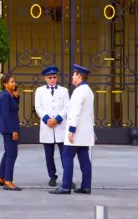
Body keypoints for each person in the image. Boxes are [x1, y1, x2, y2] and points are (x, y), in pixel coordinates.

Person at [50, 64, 94, 196]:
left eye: (74, 75)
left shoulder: (79, 91)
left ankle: (66, 186)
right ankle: (86, 186)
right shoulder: (88, 90)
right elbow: (90, 114)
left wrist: (72, 130)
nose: (72, 77)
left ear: (79, 76)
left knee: (67, 156)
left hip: (76, 131)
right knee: (84, 158)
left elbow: (75, 112)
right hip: (84, 132)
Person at [34, 65, 70, 187]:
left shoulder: (64, 91)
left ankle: (67, 178)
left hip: (60, 126)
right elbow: (38, 107)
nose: (52, 79)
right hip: (47, 126)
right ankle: (52, 176)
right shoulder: (39, 91)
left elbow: (66, 107)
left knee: (65, 155)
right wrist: (47, 119)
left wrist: (58, 119)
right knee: (49, 156)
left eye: (54, 77)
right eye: (50, 77)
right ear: (45, 78)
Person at [0, 73, 23, 191]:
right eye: (11, 82)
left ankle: (0, 178)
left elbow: (14, 109)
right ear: (5, 84)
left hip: (8, 128)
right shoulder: (5, 96)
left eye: (14, 81)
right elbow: (6, 115)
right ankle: (8, 181)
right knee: (12, 154)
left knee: (8, 153)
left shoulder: (8, 95)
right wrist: (13, 131)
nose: (14, 83)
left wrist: (16, 97)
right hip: (9, 129)